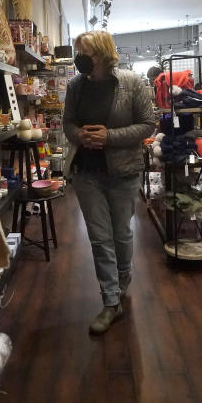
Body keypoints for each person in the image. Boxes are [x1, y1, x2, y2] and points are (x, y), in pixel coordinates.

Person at [63, 31, 155, 335]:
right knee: (100, 239)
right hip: (86, 173)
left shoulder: (130, 83)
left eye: (84, 51)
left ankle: (123, 278)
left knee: (121, 234)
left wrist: (109, 137)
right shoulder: (76, 86)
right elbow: (68, 123)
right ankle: (111, 301)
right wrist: (81, 136)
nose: (79, 56)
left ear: (102, 53)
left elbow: (147, 124)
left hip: (123, 172)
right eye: (77, 50)